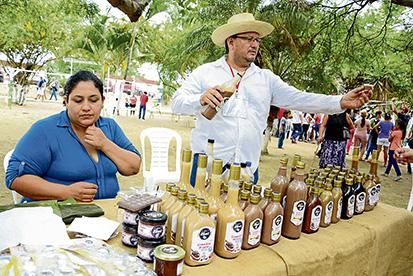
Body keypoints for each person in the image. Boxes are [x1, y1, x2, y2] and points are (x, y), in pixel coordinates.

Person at [171, 13, 372, 184]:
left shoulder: (265, 79)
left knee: (239, 225)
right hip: (206, 167)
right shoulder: (206, 72)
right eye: (249, 38)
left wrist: (340, 102)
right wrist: (200, 99)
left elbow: (299, 98)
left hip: (246, 169)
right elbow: (177, 102)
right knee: (200, 224)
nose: (255, 44)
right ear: (231, 42)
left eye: (257, 40)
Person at [5, 71, 141, 202]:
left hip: (104, 217)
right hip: (56, 217)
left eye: (93, 100)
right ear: (66, 101)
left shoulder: (109, 127)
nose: (86, 107)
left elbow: (133, 167)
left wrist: (105, 144)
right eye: (78, 101)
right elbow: (14, 178)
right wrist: (65, 192)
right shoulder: (45, 130)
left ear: (102, 101)